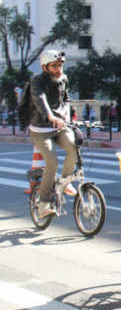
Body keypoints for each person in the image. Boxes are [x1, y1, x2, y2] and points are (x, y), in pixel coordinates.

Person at [28, 50, 77, 219]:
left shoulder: (63, 79)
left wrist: (68, 118)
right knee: (52, 163)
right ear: (45, 67)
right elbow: (39, 98)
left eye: (60, 65)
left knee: (73, 147)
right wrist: (50, 116)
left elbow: (66, 99)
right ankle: (43, 205)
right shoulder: (37, 80)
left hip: (59, 127)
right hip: (41, 129)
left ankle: (64, 182)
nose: (58, 69)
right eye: (54, 66)